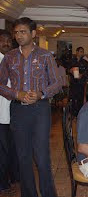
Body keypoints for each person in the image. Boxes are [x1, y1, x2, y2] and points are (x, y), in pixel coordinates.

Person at [0, 17, 61, 197]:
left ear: (33, 34)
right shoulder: (9, 57)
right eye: (16, 32)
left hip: (40, 109)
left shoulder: (45, 56)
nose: (19, 36)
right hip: (18, 110)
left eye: (23, 32)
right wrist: (16, 94)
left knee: (42, 157)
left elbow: (57, 83)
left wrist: (41, 93)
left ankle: (49, 194)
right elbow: (1, 84)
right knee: (23, 157)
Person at [0, 29, 19, 194]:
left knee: (13, 147)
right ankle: (2, 182)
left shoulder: (12, 60)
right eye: (2, 40)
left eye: (8, 41)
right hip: (1, 113)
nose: (6, 43)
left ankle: (14, 177)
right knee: (3, 149)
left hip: (13, 113)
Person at [69, 46, 88, 116]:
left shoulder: (85, 62)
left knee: (80, 98)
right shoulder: (71, 61)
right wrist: (70, 71)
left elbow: (87, 72)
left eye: (83, 52)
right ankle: (73, 114)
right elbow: (67, 70)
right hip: (73, 83)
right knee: (73, 98)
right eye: (80, 51)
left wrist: (82, 75)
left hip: (81, 83)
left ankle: (80, 114)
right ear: (76, 52)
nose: (82, 53)